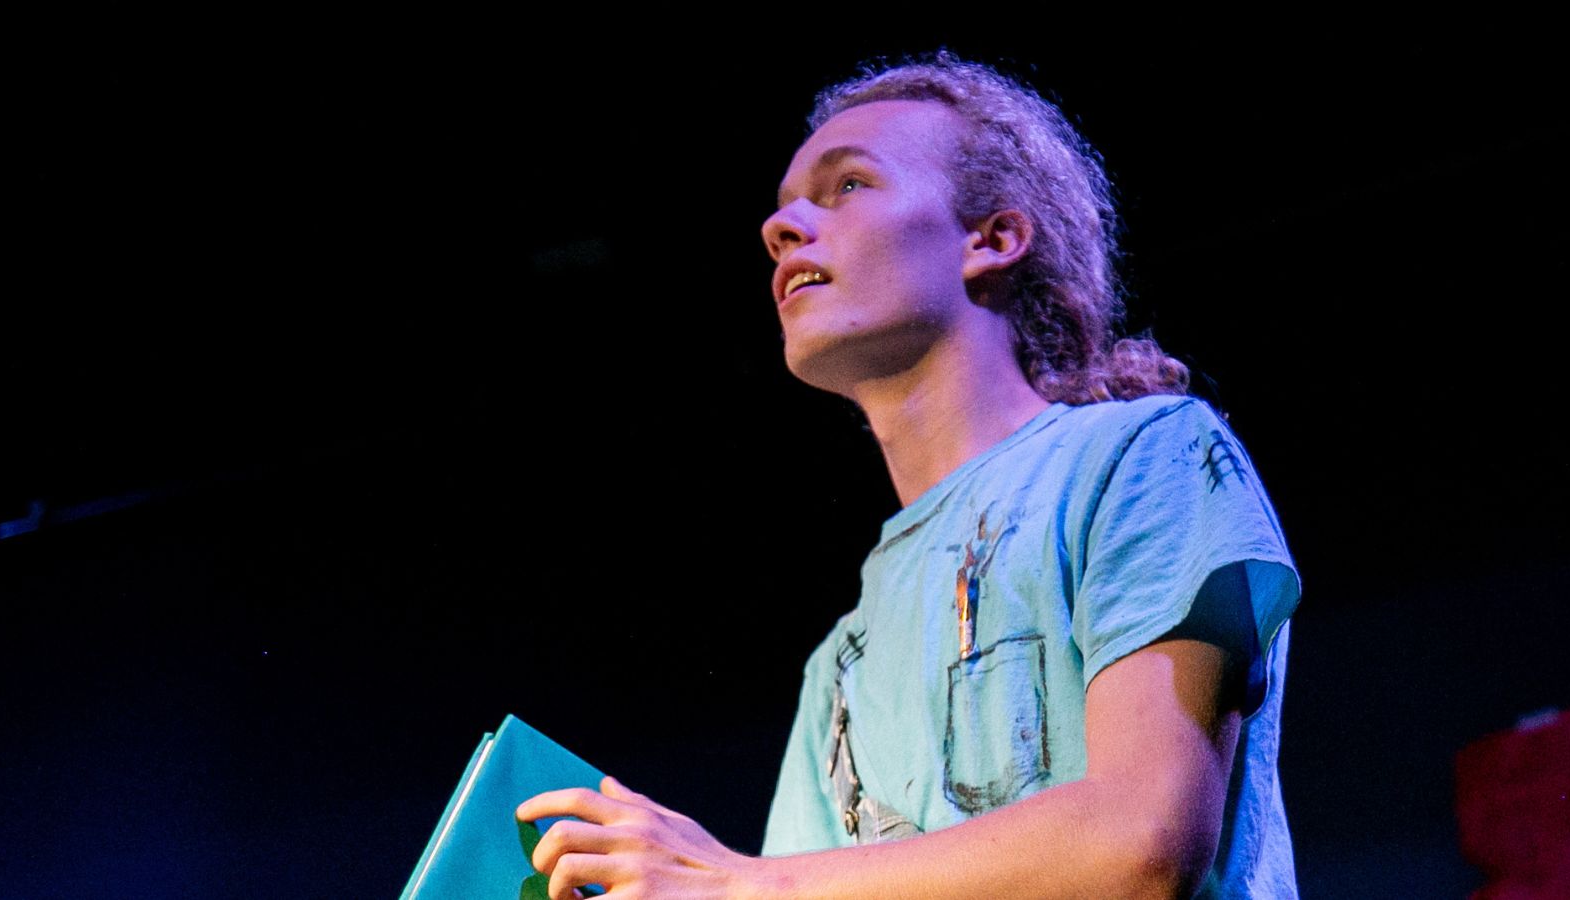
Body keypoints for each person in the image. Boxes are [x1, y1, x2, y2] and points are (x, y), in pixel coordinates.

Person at [517, 51, 1304, 899]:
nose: (779, 229)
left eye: (847, 185)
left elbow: (1140, 841)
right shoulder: (839, 666)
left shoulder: (1144, 454)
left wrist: (735, 882)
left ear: (992, 239)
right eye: (783, 209)